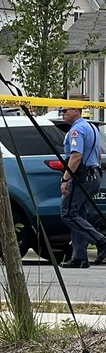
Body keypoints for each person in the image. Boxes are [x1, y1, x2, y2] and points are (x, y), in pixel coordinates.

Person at [59, 101, 106, 268]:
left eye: (65, 110)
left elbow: (76, 157)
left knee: (68, 214)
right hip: (93, 175)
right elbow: (98, 155)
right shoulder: (92, 127)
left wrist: (65, 179)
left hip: (82, 176)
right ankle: (79, 257)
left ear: (77, 111)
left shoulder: (76, 130)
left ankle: (101, 241)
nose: (62, 113)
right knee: (79, 214)